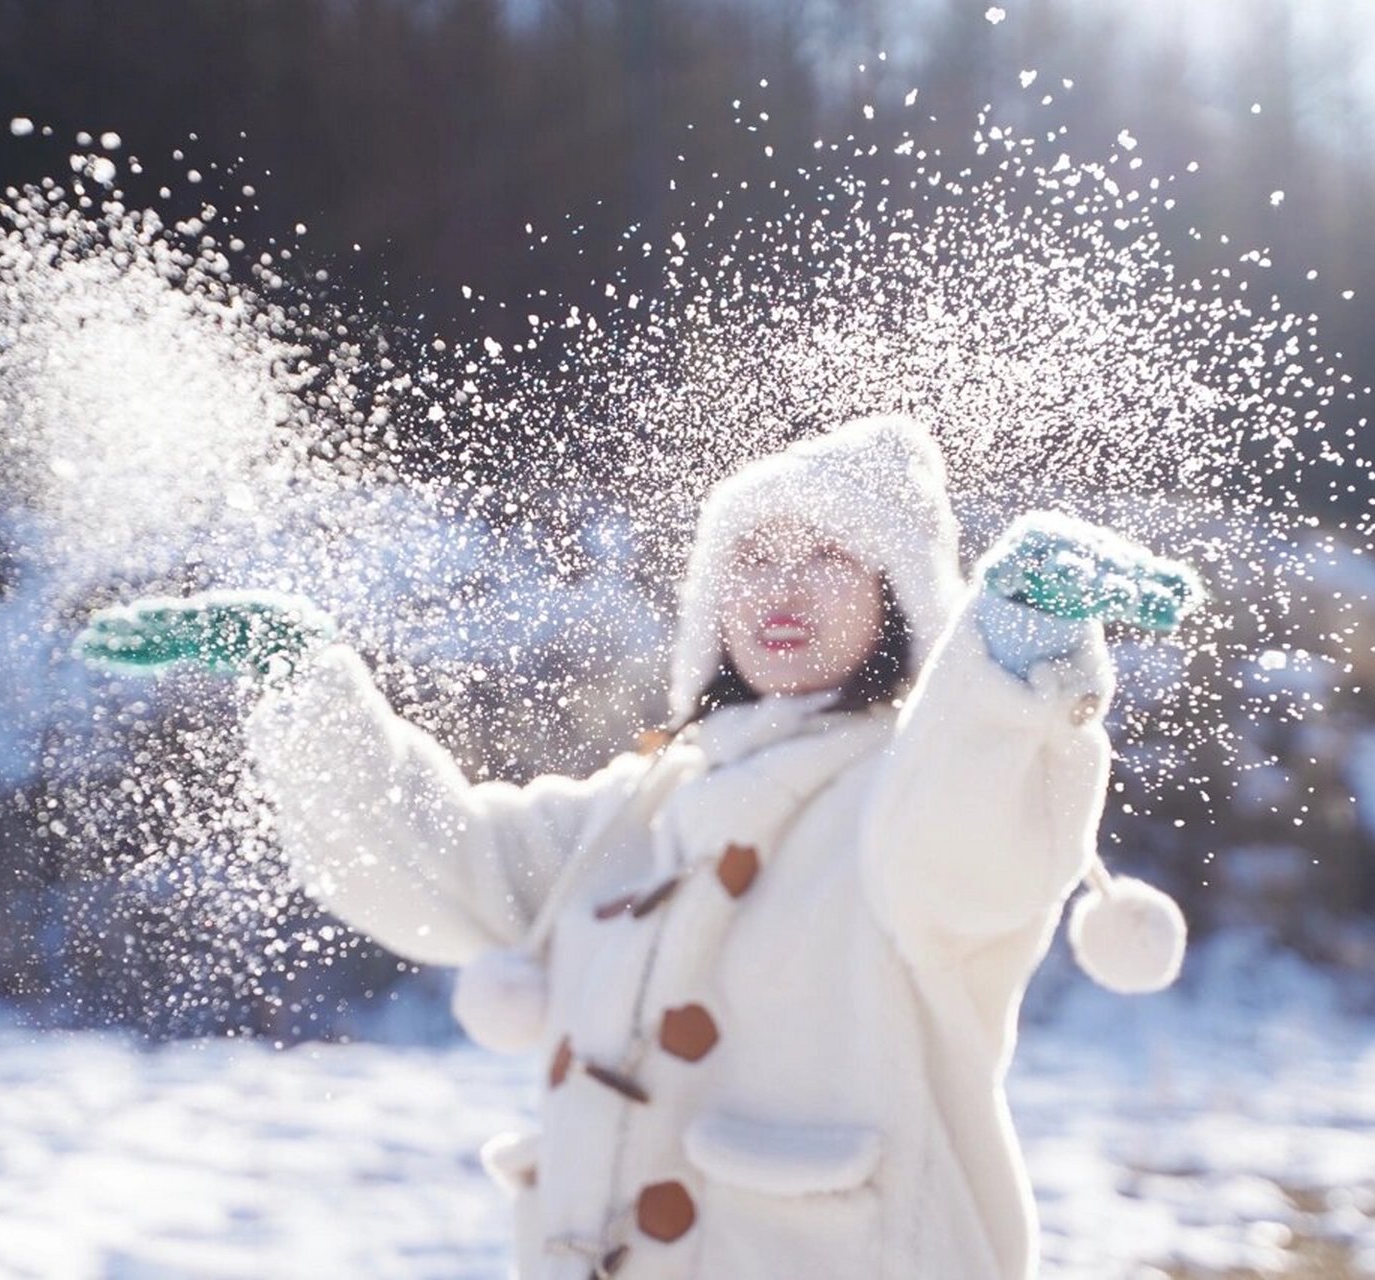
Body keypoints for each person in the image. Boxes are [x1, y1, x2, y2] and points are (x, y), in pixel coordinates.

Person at [76, 414, 1203, 1280]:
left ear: (898, 599)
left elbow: (968, 850)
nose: (780, 588)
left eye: (826, 558)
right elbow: (437, 862)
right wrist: (303, 682)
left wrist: (1006, 664)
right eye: (752, 558)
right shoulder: (637, 808)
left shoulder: (902, 796)